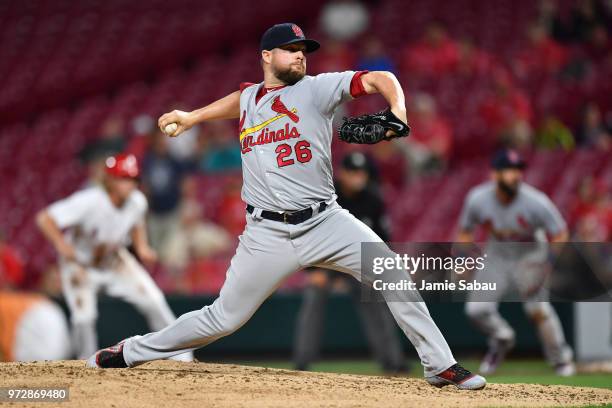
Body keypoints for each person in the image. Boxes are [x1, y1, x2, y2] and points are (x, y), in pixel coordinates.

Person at [86, 23, 486, 391]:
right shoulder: (249, 98)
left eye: (303, 50)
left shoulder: (317, 88)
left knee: (391, 271)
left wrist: (397, 110)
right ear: (266, 56)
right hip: (266, 233)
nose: (299, 55)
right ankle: (131, 351)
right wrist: (193, 117)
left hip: (326, 220)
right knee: (222, 318)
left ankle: (439, 364)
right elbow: (238, 100)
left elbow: (382, 78)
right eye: (290, 49)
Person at [36, 153, 193, 362]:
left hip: (114, 261)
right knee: (83, 318)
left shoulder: (137, 201)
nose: (129, 184)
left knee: (154, 301)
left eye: (132, 179)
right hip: (81, 265)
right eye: (123, 178)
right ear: (109, 180)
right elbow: (45, 218)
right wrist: (61, 244)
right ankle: (85, 363)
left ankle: (182, 357)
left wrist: (142, 247)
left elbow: (136, 223)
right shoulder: (89, 200)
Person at [457, 149, 575, 376]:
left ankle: (560, 359)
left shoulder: (536, 201)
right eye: (508, 170)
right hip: (497, 254)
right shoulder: (478, 198)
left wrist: (547, 262)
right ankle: (502, 337)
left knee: (537, 309)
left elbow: (560, 233)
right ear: (494, 175)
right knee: (475, 310)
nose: (515, 175)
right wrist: (462, 260)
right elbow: (465, 231)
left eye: (518, 170)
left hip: (531, 253)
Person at [293, 152, 409, 374]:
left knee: (376, 301)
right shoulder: (327, 196)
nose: (359, 177)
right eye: (354, 172)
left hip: (359, 261)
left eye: (362, 172)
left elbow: (383, 239)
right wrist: (312, 269)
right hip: (326, 260)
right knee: (313, 298)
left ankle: (393, 362)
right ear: (343, 173)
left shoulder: (373, 200)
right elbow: (310, 232)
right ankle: (302, 362)